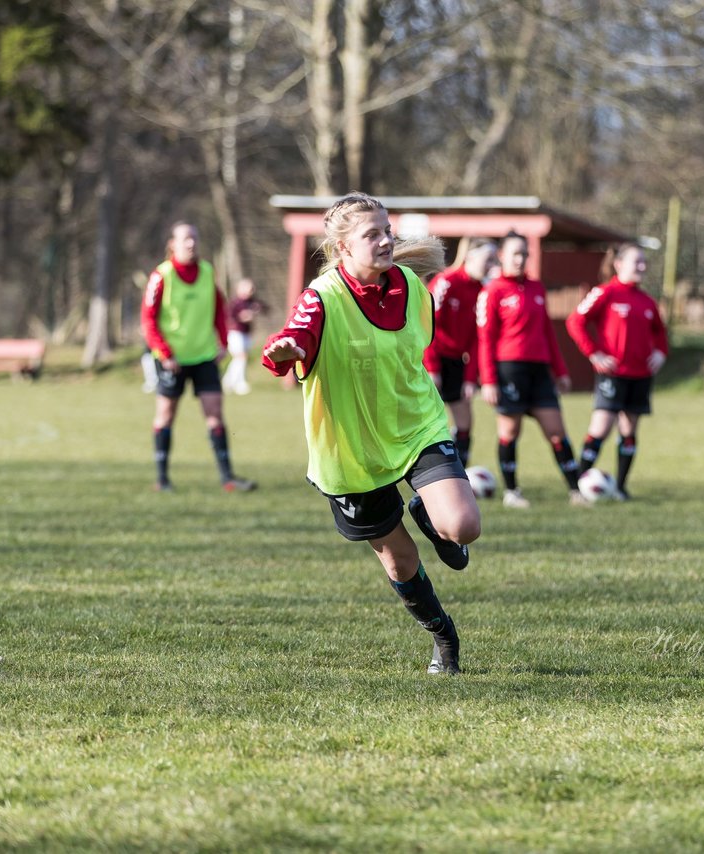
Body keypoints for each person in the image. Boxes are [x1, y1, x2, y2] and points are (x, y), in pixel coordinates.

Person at [262, 192, 481, 675]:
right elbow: (293, 337)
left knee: (465, 527)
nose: (386, 240)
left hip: (415, 427)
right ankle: (443, 636)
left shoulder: (411, 286)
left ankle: (429, 508)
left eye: (388, 230)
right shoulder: (321, 297)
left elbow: (417, 349)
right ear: (342, 248)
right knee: (400, 563)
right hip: (351, 451)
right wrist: (288, 350)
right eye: (372, 234)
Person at [141, 221, 256, 494]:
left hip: (205, 356)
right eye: (185, 239)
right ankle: (163, 479)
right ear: (172, 244)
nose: (191, 243)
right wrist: (165, 353)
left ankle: (228, 478)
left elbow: (218, 308)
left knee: (215, 415)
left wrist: (223, 342)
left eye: (194, 238)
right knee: (165, 417)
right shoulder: (161, 275)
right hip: (173, 359)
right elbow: (148, 319)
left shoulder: (207, 271)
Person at [477, 232, 588, 508]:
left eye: (524, 254)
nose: (520, 259)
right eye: (515, 253)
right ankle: (512, 492)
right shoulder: (492, 291)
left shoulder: (537, 288)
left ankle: (576, 491)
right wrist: (489, 380)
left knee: (557, 431)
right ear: (502, 256)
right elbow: (485, 338)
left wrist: (560, 370)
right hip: (509, 370)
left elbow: (548, 334)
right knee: (510, 433)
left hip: (539, 372)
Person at [566, 242, 669, 500]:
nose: (642, 267)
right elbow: (575, 321)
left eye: (644, 262)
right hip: (613, 374)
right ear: (619, 264)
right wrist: (594, 353)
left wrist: (660, 352)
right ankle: (578, 485)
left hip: (640, 375)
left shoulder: (647, 301)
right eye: (637, 262)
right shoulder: (605, 293)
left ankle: (621, 487)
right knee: (600, 429)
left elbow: (660, 332)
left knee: (629, 431)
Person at [422, 238, 498, 466]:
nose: (491, 265)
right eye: (488, 259)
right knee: (426, 421)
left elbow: (478, 339)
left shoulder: (482, 291)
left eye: (494, 260)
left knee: (465, 423)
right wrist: (433, 368)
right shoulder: (446, 281)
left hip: (457, 363)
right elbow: (427, 325)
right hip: (432, 360)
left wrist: (469, 378)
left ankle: (458, 472)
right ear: (470, 257)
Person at [222, 277, 265, 395]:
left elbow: (265, 307)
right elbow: (228, 318)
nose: (250, 291)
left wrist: (257, 309)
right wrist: (242, 317)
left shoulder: (252, 302)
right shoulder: (235, 303)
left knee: (240, 358)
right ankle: (239, 383)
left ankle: (228, 381)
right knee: (241, 357)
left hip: (246, 334)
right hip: (235, 333)